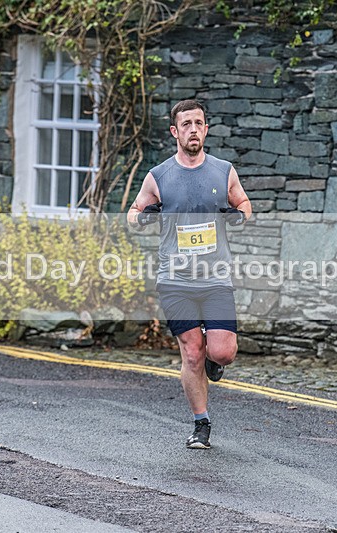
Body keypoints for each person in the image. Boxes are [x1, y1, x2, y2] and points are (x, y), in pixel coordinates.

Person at [127, 99, 252, 449]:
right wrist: (144, 217)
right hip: (175, 280)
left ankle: (216, 362)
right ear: (175, 132)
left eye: (199, 123)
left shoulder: (223, 170)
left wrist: (239, 215)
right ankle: (201, 424)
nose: (193, 129)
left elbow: (243, 203)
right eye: (186, 124)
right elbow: (133, 213)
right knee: (192, 352)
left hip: (214, 279)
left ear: (206, 129)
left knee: (222, 351)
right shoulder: (159, 176)